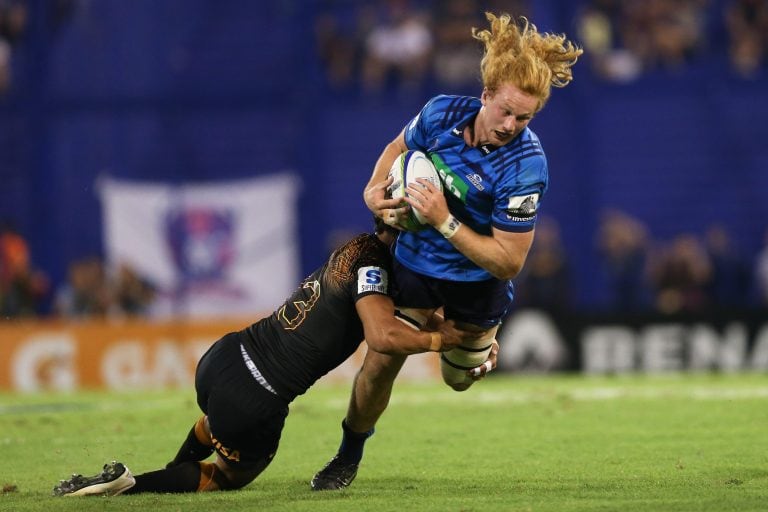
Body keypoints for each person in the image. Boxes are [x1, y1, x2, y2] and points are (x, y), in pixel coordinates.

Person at [311, 12, 581, 491]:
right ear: (486, 95)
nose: (511, 125)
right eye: (506, 111)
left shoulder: (527, 166)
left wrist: (443, 220)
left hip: (478, 283)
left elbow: (509, 261)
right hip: (416, 264)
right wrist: (374, 190)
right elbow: (398, 146)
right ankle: (347, 455)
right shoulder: (440, 113)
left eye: (525, 118)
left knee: (457, 380)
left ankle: (479, 346)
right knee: (379, 361)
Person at [52, 220, 491, 497]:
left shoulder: (360, 248)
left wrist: (468, 337)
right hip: (256, 398)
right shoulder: (373, 269)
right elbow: (383, 333)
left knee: (213, 424)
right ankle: (131, 485)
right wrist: (440, 341)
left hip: (225, 357)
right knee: (229, 477)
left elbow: (393, 306)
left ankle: (172, 472)